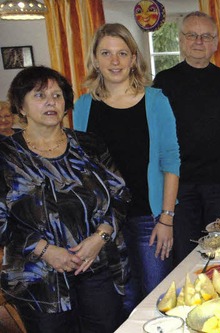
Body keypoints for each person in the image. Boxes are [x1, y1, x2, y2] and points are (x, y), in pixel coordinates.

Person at [0, 66, 129, 332]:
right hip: (38, 280)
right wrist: (46, 250)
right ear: (21, 107)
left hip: (95, 266)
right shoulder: (6, 156)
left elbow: (120, 194)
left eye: (57, 95)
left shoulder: (89, 144)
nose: (51, 102)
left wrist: (100, 237)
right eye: (39, 95)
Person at [73, 23, 180, 317]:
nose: (115, 61)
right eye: (106, 53)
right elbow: (81, 167)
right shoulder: (83, 105)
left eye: (122, 53)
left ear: (134, 58)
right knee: (124, 302)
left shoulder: (156, 100)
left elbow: (171, 161)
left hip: (150, 217)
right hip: (105, 223)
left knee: (159, 299)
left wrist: (167, 218)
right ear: (95, 59)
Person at [153, 11, 220, 265]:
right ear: (181, 41)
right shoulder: (164, 81)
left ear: (216, 43)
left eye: (206, 36)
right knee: (186, 255)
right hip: (179, 186)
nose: (199, 41)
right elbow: (155, 137)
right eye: (192, 35)